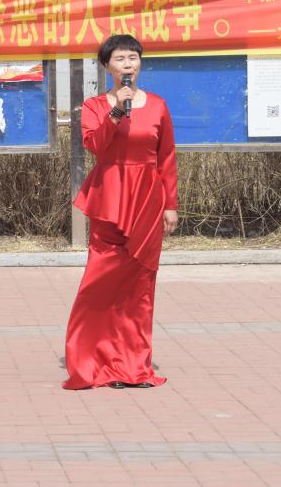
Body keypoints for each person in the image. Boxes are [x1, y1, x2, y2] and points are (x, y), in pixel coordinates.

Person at [63, 34, 179, 390]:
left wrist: (171, 205)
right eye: (120, 59)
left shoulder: (157, 106)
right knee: (101, 283)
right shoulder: (95, 105)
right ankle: (99, 361)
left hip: (147, 201)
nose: (128, 64)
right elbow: (95, 145)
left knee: (139, 286)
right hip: (109, 199)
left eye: (133, 58)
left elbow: (167, 157)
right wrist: (116, 111)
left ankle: (134, 366)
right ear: (107, 66)